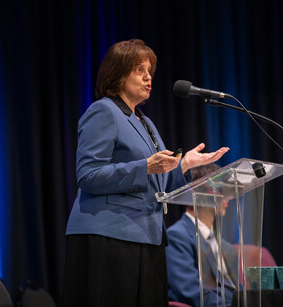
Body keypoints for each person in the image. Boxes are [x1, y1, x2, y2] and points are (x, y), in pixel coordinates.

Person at [62, 39, 229, 307]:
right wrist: (144, 167)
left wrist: (185, 165)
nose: (148, 77)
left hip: (148, 237)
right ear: (117, 73)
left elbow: (158, 184)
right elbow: (88, 175)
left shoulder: (145, 122)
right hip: (109, 236)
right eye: (139, 69)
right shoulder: (103, 111)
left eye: (150, 70)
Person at [166, 163, 239, 307]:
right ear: (197, 194)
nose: (229, 196)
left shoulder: (226, 248)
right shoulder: (176, 237)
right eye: (220, 189)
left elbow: (237, 290)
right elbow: (190, 292)